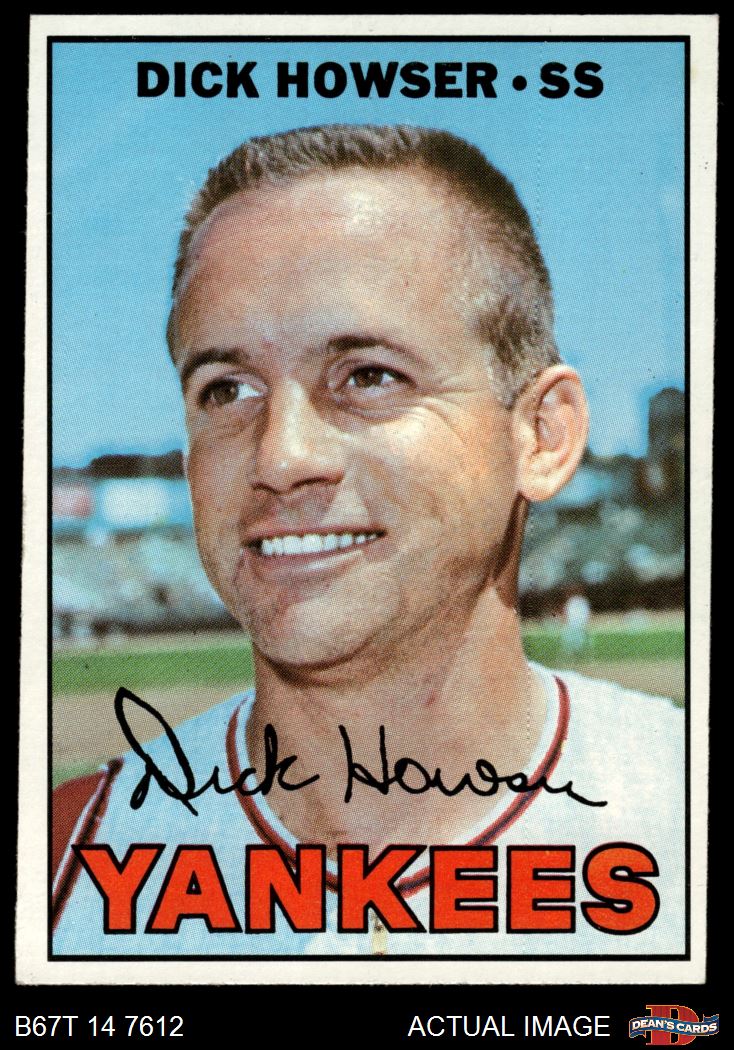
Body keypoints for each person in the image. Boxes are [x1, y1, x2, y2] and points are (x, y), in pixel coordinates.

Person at [52, 124, 684, 956]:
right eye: (227, 389)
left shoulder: (682, 813)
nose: (281, 458)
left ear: (541, 435)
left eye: (369, 376)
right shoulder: (63, 863)